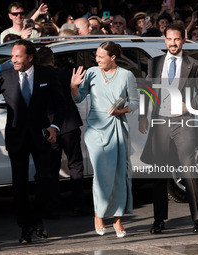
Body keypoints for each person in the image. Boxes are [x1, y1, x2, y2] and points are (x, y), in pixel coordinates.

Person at [0, 39, 65, 244]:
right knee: (20, 184)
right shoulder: (6, 76)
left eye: (17, 56)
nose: (13, 60)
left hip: (41, 136)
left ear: (30, 58)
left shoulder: (47, 74)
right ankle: (25, 228)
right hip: (17, 137)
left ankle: (38, 219)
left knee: (45, 179)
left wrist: (54, 126)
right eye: (12, 56)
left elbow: (60, 104)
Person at [139, 24, 198, 234]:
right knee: (159, 172)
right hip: (160, 122)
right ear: (165, 40)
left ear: (183, 41)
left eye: (177, 39)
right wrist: (143, 116)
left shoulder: (193, 64)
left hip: (183, 123)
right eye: (169, 39)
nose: (173, 43)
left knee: (189, 169)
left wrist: (188, 106)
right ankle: (159, 220)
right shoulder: (155, 63)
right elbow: (147, 90)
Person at [70, 41, 138, 238]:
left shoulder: (126, 75)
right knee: (101, 174)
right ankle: (98, 216)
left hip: (117, 125)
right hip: (96, 128)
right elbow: (78, 98)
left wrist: (120, 111)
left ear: (112, 57)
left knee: (118, 173)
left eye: (101, 56)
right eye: (96, 56)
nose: (97, 59)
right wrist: (74, 86)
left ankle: (117, 221)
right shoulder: (91, 72)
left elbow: (134, 102)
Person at [36, 46, 86, 217]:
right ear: (52, 60)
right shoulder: (64, 73)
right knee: (76, 165)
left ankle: (53, 207)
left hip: (49, 128)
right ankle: (78, 205)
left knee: (52, 168)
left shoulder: (37, 77)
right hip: (69, 125)